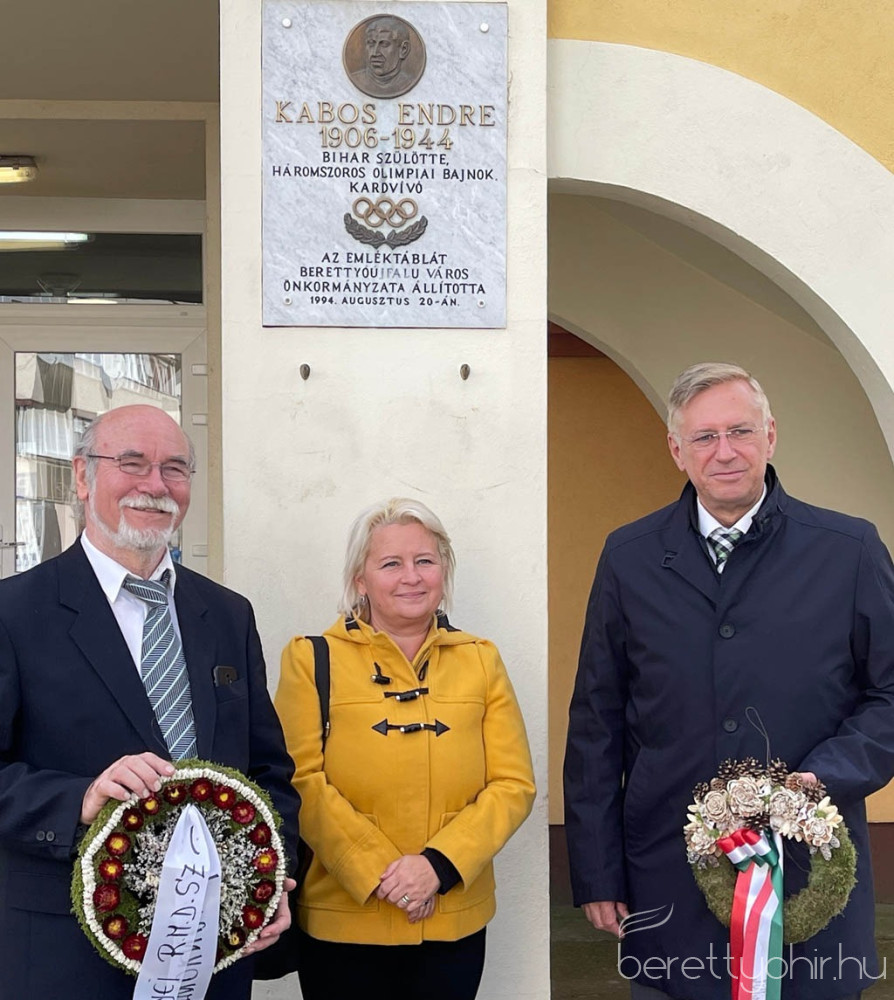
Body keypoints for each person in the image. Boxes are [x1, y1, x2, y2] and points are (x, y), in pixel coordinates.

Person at [564, 362, 894, 1000]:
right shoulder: (629, 558)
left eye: (740, 431)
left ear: (770, 435)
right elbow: (596, 722)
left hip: (809, 870)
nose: (725, 452)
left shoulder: (848, 550)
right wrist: (598, 870)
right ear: (676, 449)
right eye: (705, 437)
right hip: (668, 878)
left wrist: (825, 775)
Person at [0, 404, 300, 999]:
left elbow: (269, 774)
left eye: (174, 468)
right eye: (132, 463)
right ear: (82, 476)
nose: (156, 485)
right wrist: (81, 798)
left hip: (214, 953)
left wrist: (273, 881)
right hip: (63, 956)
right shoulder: (14, 612)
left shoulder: (228, 614)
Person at [275, 497, 535, 999]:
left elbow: (513, 784)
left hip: (451, 920)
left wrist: (437, 866)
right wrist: (381, 873)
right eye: (391, 563)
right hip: (344, 921)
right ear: (360, 579)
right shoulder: (311, 659)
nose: (411, 577)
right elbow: (298, 779)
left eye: (425, 560)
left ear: (444, 570)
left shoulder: (481, 660)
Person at [348, 16, 420, 99]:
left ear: (403, 49)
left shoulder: (408, 82)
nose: (375, 53)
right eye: (371, 43)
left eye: (384, 44)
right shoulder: (357, 79)